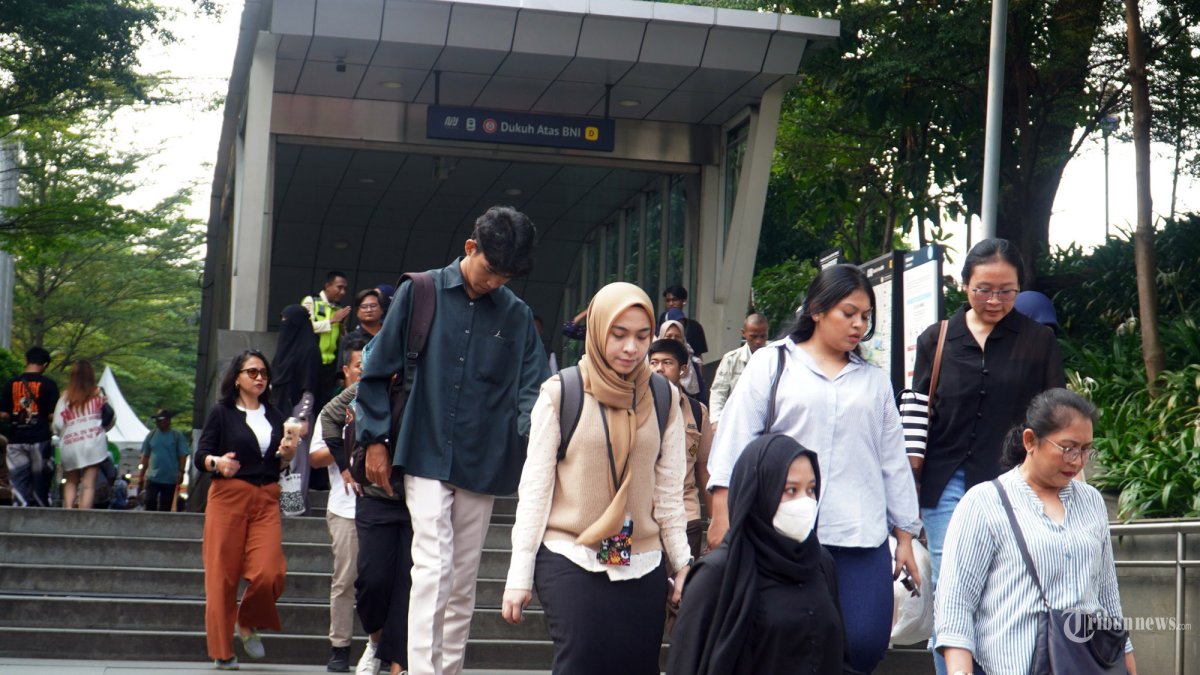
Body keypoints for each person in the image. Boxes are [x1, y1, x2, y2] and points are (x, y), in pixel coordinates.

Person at [357, 205, 548, 675]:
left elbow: (532, 391)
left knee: (463, 579)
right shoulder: (419, 291)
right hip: (423, 445)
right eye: (490, 270)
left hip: (484, 458)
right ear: (470, 248)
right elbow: (376, 370)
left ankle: (448, 670)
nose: (494, 283)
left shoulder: (518, 316)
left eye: (506, 277)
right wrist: (376, 439)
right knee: (432, 566)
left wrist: (538, 445)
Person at [706, 264, 921, 674]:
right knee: (785, 642)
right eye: (848, 313)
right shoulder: (773, 364)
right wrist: (721, 513)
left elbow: (893, 460)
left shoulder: (873, 382)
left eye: (865, 317)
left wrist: (905, 536)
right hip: (784, 536)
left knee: (863, 641)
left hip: (861, 536)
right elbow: (734, 438)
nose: (859, 324)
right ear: (817, 310)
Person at [501, 282, 691, 675]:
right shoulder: (561, 392)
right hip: (571, 552)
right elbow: (535, 490)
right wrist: (519, 574)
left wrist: (683, 562)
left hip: (641, 558)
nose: (630, 348)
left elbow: (668, 492)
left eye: (642, 337)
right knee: (582, 661)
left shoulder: (663, 398)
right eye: (618, 335)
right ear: (597, 330)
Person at [908, 239, 1064, 675]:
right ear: (964, 286)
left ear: (1019, 288)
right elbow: (917, 415)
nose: (995, 300)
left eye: (1006, 290)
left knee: (1006, 586)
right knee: (952, 587)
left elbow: (1055, 416)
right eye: (983, 289)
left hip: (1012, 482)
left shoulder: (1038, 342)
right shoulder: (935, 339)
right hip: (945, 481)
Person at [935, 388, 1137, 675]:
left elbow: (1107, 595)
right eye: (1068, 448)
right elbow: (955, 603)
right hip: (1009, 665)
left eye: (1086, 449)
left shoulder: (1091, 501)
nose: (1078, 461)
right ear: (1030, 441)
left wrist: (1128, 664)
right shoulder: (984, 502)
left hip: (1088, 664)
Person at [667, 434, 849, 675]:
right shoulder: (718, 574)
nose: (805, 502)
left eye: (811, 490)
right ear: (760, 491)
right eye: (790, 490)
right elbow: (686, 663)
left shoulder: (820, 563)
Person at [195, 350, 298, 670]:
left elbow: (279, 462)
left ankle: (247, 620)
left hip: (266, 498)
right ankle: (222, 652)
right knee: (221, 578)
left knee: (271, 572)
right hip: (228, 497)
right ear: (236, 377)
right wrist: (218, 463)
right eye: (251, 372)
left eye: (263, 373)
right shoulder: (221, 413)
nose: (259, 378)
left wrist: (287, 453)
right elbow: (202, 455)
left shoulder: (276, 415)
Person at [309, 337, 371, 673]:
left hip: (381, 507)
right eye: (360, 365)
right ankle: (340, 646)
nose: (365, 371)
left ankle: (379, 647)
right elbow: (315, 456)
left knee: (379, 580)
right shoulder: (332, 409)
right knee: (345, 580)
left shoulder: (385, 401)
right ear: (346, 370)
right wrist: (345, 445)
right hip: (345, 508)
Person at [648, 337, 712, 558]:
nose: (659, 369)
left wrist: (713, 522)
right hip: (634, 516)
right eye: (653, 362)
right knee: (620, 583)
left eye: (667, 363)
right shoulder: (629, 407)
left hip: (685, 517)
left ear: (683, 370)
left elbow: (704, 470)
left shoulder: (697, 411)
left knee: (680, 588)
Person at [273, 304, 323, 501]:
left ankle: (294, 508)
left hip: (297, 411)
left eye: (288, 321)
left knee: (297, 461)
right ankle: (282, 505)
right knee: (282, 456)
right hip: (280, 409)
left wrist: (303, 415)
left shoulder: (309, 350)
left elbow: (309, 385)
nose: (284, 325)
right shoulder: (285, 350)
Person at [0, 347, 60, 507]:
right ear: (45, 364)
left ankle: (19, 510)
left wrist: (13, 417)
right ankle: (39, 513)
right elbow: (52, 415)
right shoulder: (49, 385)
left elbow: (3, 414)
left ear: (27, 361)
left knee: (18, 479)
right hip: (40, 438)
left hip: (16, 439)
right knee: (40, 478)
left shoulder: (11, 384)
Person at [52, 360, 112, 510]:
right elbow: (111, 417)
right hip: (93, 444)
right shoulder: (100, 394)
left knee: (71, 481)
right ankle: (83, 518)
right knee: (88, 484)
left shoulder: (65, 398)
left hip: (71, 444)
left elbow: (57, 425)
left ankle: (68, 512)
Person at [708, 313, 769, 431]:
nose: (758, 341)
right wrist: (716, 421)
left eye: (763, 336)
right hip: (735, 423)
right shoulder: (731, 359)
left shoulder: (775, 359)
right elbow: (718, 392)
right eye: (754, 336)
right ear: (743, 333)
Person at [303, 270, 351, 402]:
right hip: (311, 363)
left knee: (325, 402)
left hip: (330, 365)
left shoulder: (338, 308)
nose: (342, 292)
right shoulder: (311, 301)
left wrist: (342, 326)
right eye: (339, 287)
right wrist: (332, 320)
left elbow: (341, 338)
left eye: (345, 288)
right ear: (327, 286)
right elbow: (306, 327)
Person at [137, 408, 191, 512]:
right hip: (152, 477)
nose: (158, 422)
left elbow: (182, 455)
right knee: (149, 501)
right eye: (156, 419)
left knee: (165, 507)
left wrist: (181, 471)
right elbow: (145, 456)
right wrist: (141, 475)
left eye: (160, 419)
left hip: (170, 478)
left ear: (168, 420)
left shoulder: (176, 436)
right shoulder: (151, 435)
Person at [659, 312, 708, 404]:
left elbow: (701, 395)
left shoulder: (692, 363)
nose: (673, 339)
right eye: (668, 336)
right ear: (661, 337)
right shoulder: (652, 360)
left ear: (683, 339)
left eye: (677, 337)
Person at [658, 285, 708, 358]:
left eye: (675, 300)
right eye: (668, 301)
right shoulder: (661, 321)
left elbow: (698, 356)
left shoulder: (695, 327)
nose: (671, 304)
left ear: (684, 301)